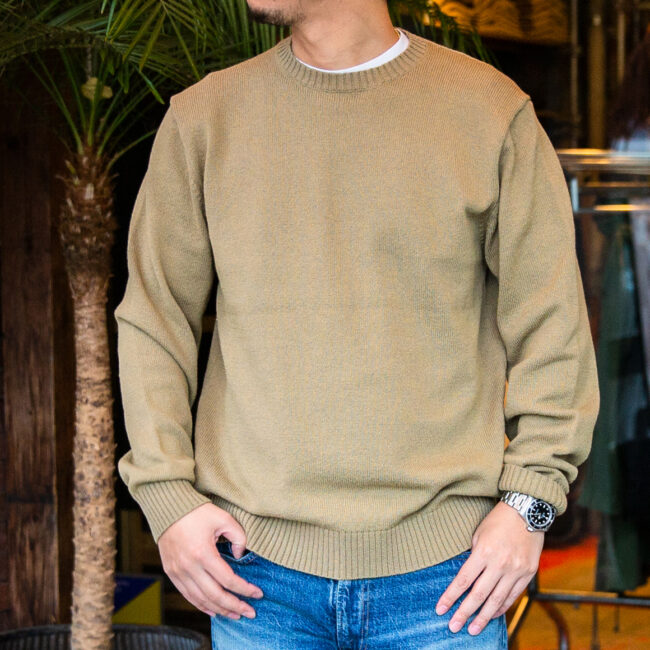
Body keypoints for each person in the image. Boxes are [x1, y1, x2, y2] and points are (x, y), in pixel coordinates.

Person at [113, 1, 600, 647]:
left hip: (449, 578)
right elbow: (154, 317)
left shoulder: (489, 111)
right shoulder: (205, 117)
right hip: (255, 574)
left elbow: (552, 325)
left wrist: (529, 507)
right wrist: (167, 499)